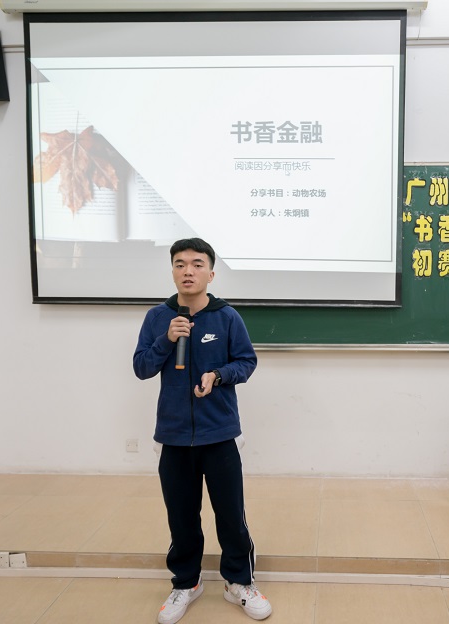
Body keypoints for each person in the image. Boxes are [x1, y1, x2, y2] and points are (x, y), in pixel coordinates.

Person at [133, 238, 271, 623]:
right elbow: (142, 367)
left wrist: (218, 375)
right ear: (172, 271)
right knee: (181, 517)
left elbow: (246, 362)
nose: (188, 271)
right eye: (180, 264)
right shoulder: (158, 318)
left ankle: (239, 582)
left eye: (196, 264)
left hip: (220, 433)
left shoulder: (227, 317)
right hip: (173, 435)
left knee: (230, 515)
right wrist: (167, 340)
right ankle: (186, 583)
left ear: (210, 273)